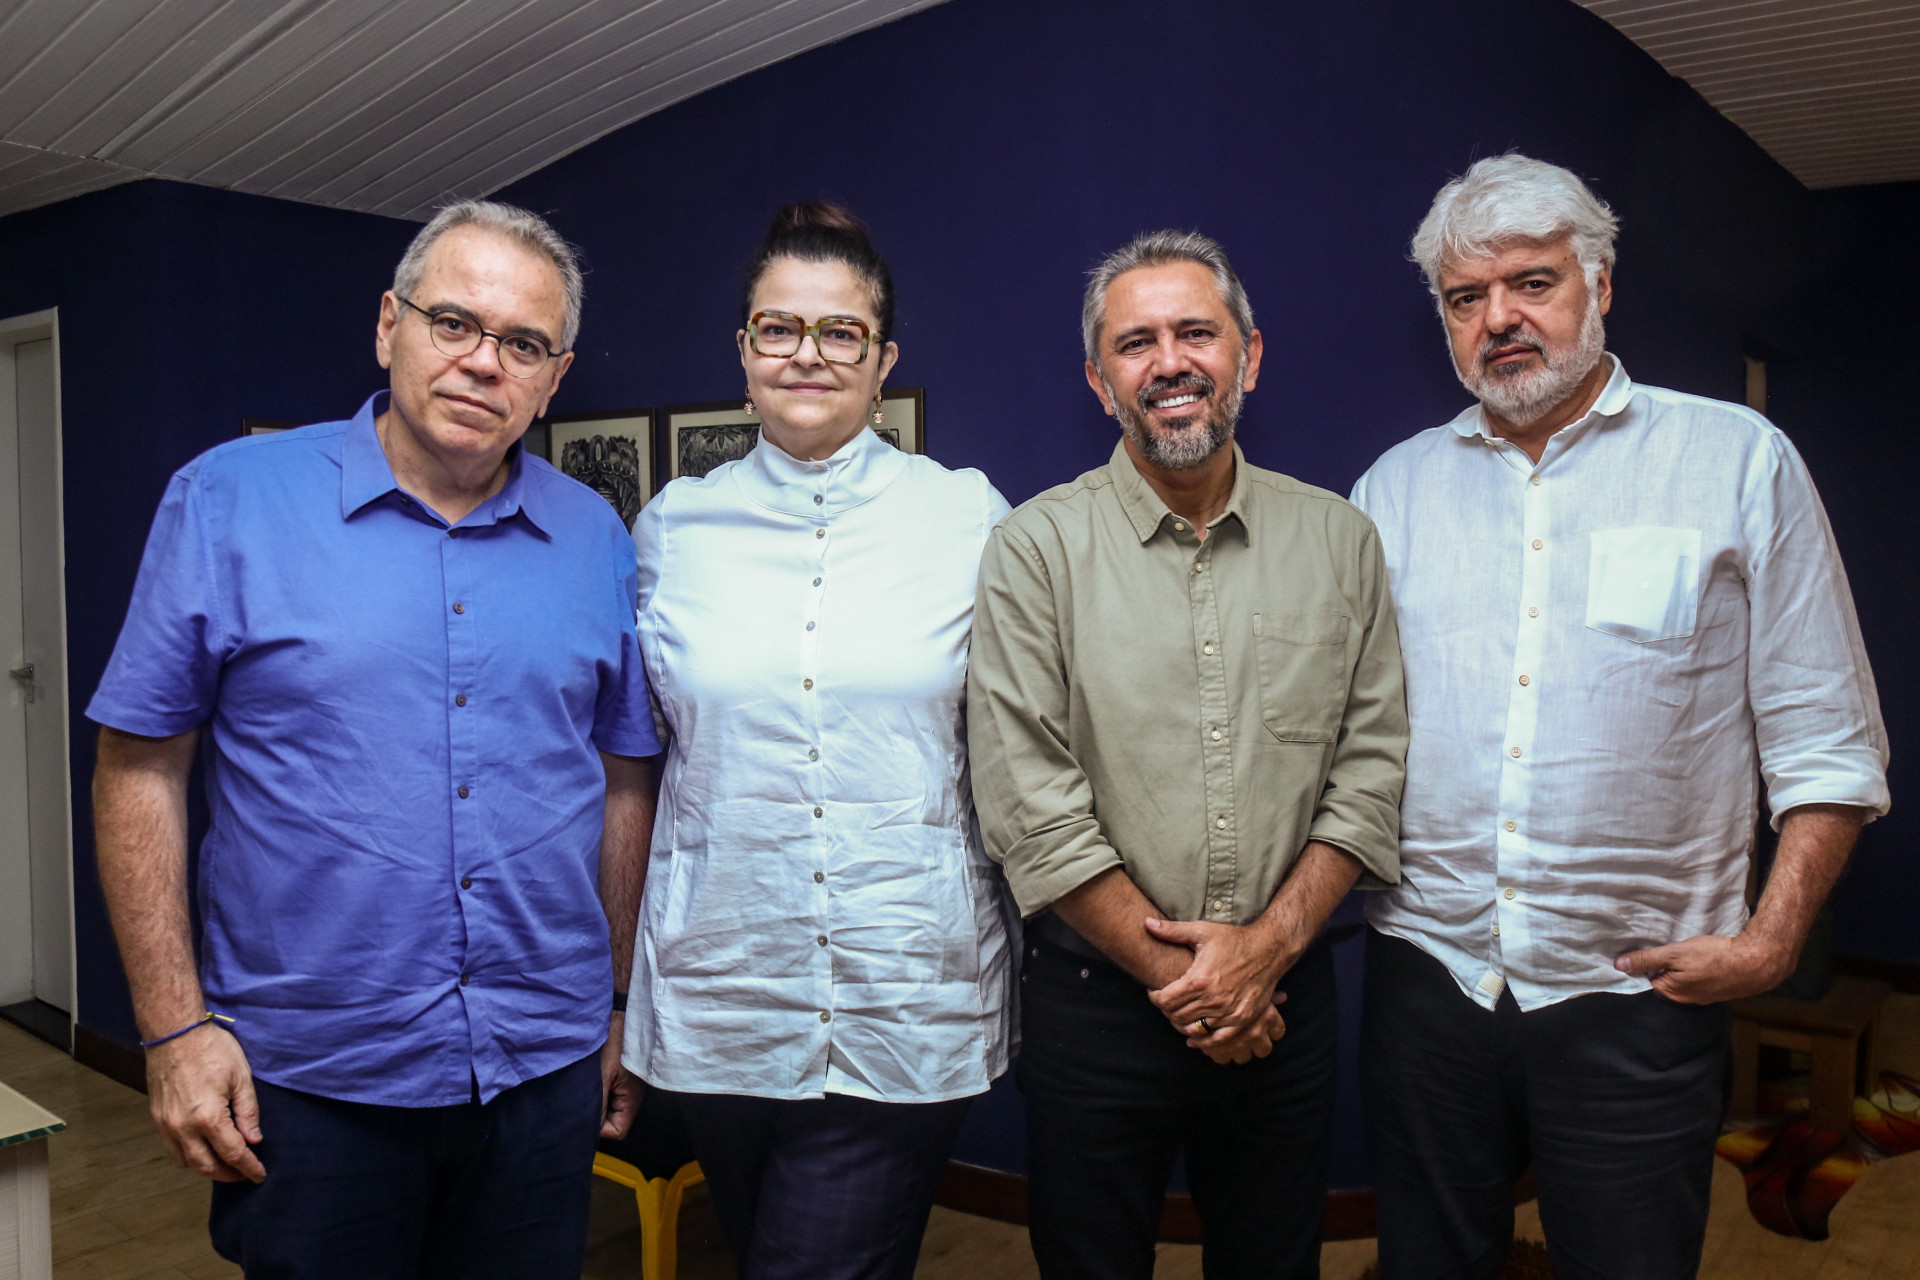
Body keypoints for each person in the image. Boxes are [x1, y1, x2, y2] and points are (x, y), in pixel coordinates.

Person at [87, 200, 661, 1278]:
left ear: (555, 374)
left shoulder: (595, 536)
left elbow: (623, 775)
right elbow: (139, 767)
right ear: (389, 324)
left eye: (522, 343)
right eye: (455, 322)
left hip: (541, 1068)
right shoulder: (228, 500)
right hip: (309, 1079)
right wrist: (171, 1030)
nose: (484, 362)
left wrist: (617, 1001)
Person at [1350, 153, 1891, 1280]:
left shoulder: (1739, 461)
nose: (1499, 317)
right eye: (1465, 298)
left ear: (1601, 283)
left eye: (1532, 282)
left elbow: (1827, 737)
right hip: (1427, 975)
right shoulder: (1390, 490)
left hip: (1639, 987)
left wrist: (1774, 939)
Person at [968, 230, 1409, 1280]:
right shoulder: (1033, 549)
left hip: (1283, 1005)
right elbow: (1027, 796)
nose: (1169, 360)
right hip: (1093, 1011)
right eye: (1136, 342)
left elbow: (1372, 763)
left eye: (1195, 332)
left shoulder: (1341, 539)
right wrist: (1201, 984)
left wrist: (1264, 954)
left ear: (1248, 356)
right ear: (1099, 377)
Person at [626, 202, 1016, 1279]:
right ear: (744, 352)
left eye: (840, 331)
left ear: (883, 359)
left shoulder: (970, 517)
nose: (808, 352)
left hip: (904, 985)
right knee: (766, 1248)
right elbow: (642, 755)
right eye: (779, 327)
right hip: (723, 987)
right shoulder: (669, 530)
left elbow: (1026, 744)